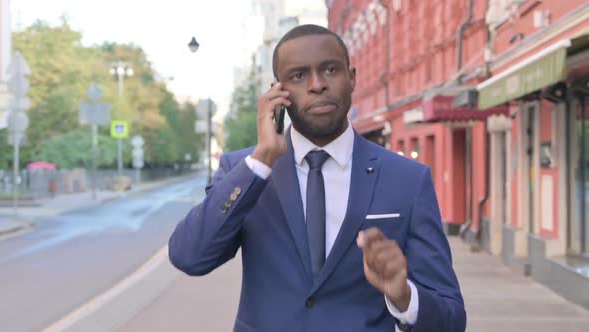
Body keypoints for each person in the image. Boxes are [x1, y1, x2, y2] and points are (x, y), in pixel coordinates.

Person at [169, 24, 466, 332]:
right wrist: (261, 161)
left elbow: (452, 319)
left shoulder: (407, 179)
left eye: (330, 70)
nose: (317, 85)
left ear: (351, 78)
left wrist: (404, 297)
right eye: (299, 75)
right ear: (278, 92)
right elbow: (189, 256)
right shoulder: (245, 172)